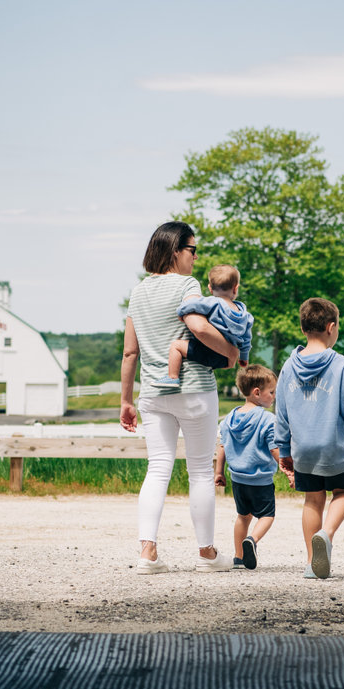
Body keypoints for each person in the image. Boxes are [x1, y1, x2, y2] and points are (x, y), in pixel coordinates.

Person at [121, 221, 240, 575]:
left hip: (153, 393)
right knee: (201, 471)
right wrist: (231, 351)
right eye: (192, 250)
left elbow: (130, 353)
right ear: (175, 251)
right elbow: (199, 326)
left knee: (158, 468)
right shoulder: (187, 285)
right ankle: (207, 553)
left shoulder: (137, 292)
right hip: (194, 389)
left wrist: (126, 400)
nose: (196, 257)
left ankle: (147, 553)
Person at [275, 298, 344, 580]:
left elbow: (281, 412)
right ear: (331, 327)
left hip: (302, 449)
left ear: (303, 329)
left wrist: (283, 449)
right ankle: (326, 534)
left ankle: (310, 563)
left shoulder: (288, 366)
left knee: (312, 500)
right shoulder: (339, 364)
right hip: (334, 447)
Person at [213, 364, 286, 569]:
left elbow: (222, 446)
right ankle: (252, 540)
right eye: (271, 392)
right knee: (267, 515)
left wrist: (219, 472)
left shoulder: (229, 419)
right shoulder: (267, 419)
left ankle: (238, 557)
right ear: (257, 392)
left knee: (242, 517)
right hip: (260, 479)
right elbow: (274, 449)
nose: (273, 397)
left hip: (238, 479)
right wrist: (288, 468)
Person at [151, 264, 253, 388]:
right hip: (225, 359)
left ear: (210, 288)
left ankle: (172, 377)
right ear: (235, 288)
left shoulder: (212, 302)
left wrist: (181, 313)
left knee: (176, 346)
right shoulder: (246, 316)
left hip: (208, 350)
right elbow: (246, 340)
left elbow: (191, 304)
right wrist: (243, 358)